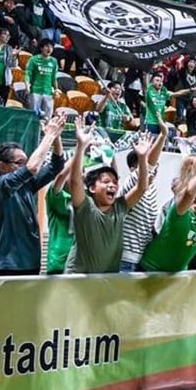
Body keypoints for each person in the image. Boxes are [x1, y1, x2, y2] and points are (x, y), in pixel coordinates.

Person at [65, 116, 153, 273]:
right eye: (106, 181)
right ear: (92, 188)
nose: (112, 184)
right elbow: (75, 181)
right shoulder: (86, 206)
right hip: (78, 279)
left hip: (107, 279)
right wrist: (80, 147)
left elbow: (141, 187)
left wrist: (142, 158)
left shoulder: (120, 207)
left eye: (114, 181)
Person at [0, 115, 66, 275]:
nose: (25, 167)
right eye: (20, 163)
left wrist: (56, 137)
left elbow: (57, 166)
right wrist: (49, 135)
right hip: (10, 266)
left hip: (32, 263)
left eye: (26, 162)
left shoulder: (27, 185)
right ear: (2, 166)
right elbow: (33, 168)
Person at [118, 124, 168, 272]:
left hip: (141, 259)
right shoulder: (131, 183)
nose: (154, 170)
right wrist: (163, 136)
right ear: (134, 169)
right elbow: (149, 165)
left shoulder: (151, 190)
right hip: (125, 260)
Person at [45, 158, 76, 275]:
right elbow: (61, 176)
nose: (79, 175)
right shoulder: (55, 195)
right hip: (59, 262)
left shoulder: (86, 198)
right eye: (73, 171)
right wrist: (80, 151)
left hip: (81, 261)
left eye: (81, 171)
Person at [26, 38, 60, 120]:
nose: (49, 49)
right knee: (33, 117)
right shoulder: (33, 59)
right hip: (35, 91)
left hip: (48, 93)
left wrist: (56, 89)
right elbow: (28, 74)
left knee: (47, 118)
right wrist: (27, 85)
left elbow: (54, 77)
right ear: (41, 48)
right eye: (47, 46)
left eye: (51, 47)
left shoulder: (54, 61)